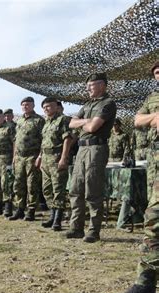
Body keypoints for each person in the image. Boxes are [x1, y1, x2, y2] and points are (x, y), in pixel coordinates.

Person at [106, 61, 159, 293]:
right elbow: (138, 119)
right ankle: (145, 288)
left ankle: (144, 288)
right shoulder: (153, 97)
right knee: (154, 221)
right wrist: (155, 117)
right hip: (155, 169)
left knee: (155, 223)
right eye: (156, 73)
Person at [66, 73, 116, 242]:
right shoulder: (87, 104)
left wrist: (85, 122)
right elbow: (71, 123)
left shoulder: (107, 103)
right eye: (87, 85)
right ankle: (76, 228)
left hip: (97, 148)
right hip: (81, 149)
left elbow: (94, 127)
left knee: (92, 190)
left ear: (102, 85)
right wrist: (85, 122)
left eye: (92, 85)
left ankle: (93, 230)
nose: (88, 88)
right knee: (75, 189)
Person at [35, 98, 73, 231]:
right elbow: (44, 142)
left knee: (58, 189)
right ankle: (52, 215)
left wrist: (64, 158)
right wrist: (40, 157)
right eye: (44, 107)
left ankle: (58, 219)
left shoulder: (63, 120)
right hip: (45, 158)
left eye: (49, 106)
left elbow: (68, 139)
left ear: (57, 107)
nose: (46, 109)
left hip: (57, 157)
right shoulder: (46, 123)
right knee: (46, 189)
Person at [10, 96, 45, 221]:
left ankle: (31, 211)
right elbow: (16, 140)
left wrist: (40, 156)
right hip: (19, 157)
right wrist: (14, 157)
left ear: (33, 106)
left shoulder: (39, 120)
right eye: (23, 105)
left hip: (32, 156)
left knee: (32, 185)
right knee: (18, 184)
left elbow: (44, 140)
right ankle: (19, 209)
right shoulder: (19, 121)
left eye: (28, 104)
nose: (25, 107)